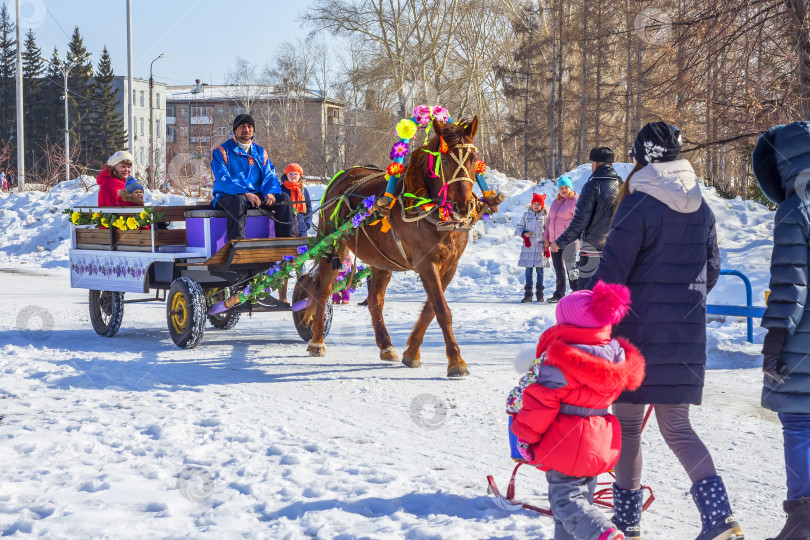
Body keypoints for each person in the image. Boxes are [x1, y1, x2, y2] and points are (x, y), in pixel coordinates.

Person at [588, 122, 742, 540]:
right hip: (686, 332)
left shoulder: (638, 206)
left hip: (635, 336)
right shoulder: (703, 207)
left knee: (628, 426)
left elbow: (611, 277)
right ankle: (719, 518)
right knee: (677, 428)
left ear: (641, 158)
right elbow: (710, 273)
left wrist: (587, 308)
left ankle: (627, 521)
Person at [508, 281, 644, 540]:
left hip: (566, 441)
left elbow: (541, 404)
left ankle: (603, 533)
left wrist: (526, 437)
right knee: (579, 502)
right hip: (598, 439)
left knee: (565, 501)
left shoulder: (562, 359)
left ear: (570, 326)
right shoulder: (613, 354)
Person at [751, 121, 810, 540]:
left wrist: (774, 337)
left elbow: (791, 281)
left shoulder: (797, 208)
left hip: (803, 341)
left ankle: (804, 518)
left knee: (799, 424)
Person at [210, 114, 294, 240]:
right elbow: (223, 179)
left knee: (283, 197)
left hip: (255, 196)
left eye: (249, 126)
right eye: (242, 126)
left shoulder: (260, 152)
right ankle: (237, 245)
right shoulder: (221, 152)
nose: (246, 129)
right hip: (228, 196)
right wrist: (244, 192)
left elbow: (269, 175)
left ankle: (287, 243)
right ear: (235, 130)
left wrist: (270, 192)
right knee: (238, 200)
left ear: (253, 130)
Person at [551, 147, 622, 290]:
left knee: (587, 294)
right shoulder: (623, 185)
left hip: (592, 249)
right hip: (616, 249)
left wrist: (560, 242)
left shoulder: (592, 186)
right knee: (612, 294)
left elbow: (580, 221)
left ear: (595, 164)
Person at [544, 176, 579, 303]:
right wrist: (546, 238)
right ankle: (559, 293)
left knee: (571, 267)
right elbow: (549, 221)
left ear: (570, 188)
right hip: (554, 241)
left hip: (568, 240)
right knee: (558, 268)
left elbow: (577, 222)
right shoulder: (555, 202)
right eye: (561, 187)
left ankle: (576, 292)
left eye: (566, 187)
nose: (563, 190)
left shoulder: (575, 202)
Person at [516, 193, 550, 303]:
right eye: (534, 203)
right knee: (528, 271)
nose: (536, 206)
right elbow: (519, 228)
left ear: (542, 205)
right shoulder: (526, 215)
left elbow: (548, 231)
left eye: (538, 204)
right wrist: (524, 233)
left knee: (540, 271)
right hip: (528, 247)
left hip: (540, 247)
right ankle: (528, 294)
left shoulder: (545, 217)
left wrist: (547, 241)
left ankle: (540, 294)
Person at [279, 163, 312, 237]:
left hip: (302, 229)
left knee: (303, 248)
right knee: (288, 248)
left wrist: (307, 223)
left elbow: (309, 208)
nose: (293, 176)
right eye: (290, 174)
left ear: (300, 176)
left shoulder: (303, 190)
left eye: (296, 174)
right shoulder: (280, 190)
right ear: (286, 175)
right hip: (285, 229)